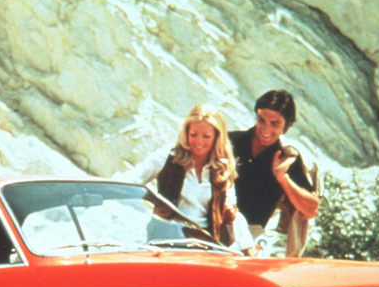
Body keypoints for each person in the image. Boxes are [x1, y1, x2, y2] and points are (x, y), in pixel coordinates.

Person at [116, 104, 255, 254]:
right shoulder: (167, 157)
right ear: (186, 133)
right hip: (166, 244)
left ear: (217, 137)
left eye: (206, 136)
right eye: (193, 134)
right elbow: (129, 183)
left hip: (205, 246)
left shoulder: (222, 167)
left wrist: (229, 212)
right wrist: (150, 204)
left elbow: (231, 207)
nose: (199, 142)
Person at [230, 90, 321, 257]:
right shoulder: (229, 142)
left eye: (275, 124)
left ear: (287, 125)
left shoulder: (287, 158)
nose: (266, 129)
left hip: (252, 237)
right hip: (214, 227)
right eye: (261, 120)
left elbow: (311, 210)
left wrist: (283, 178)